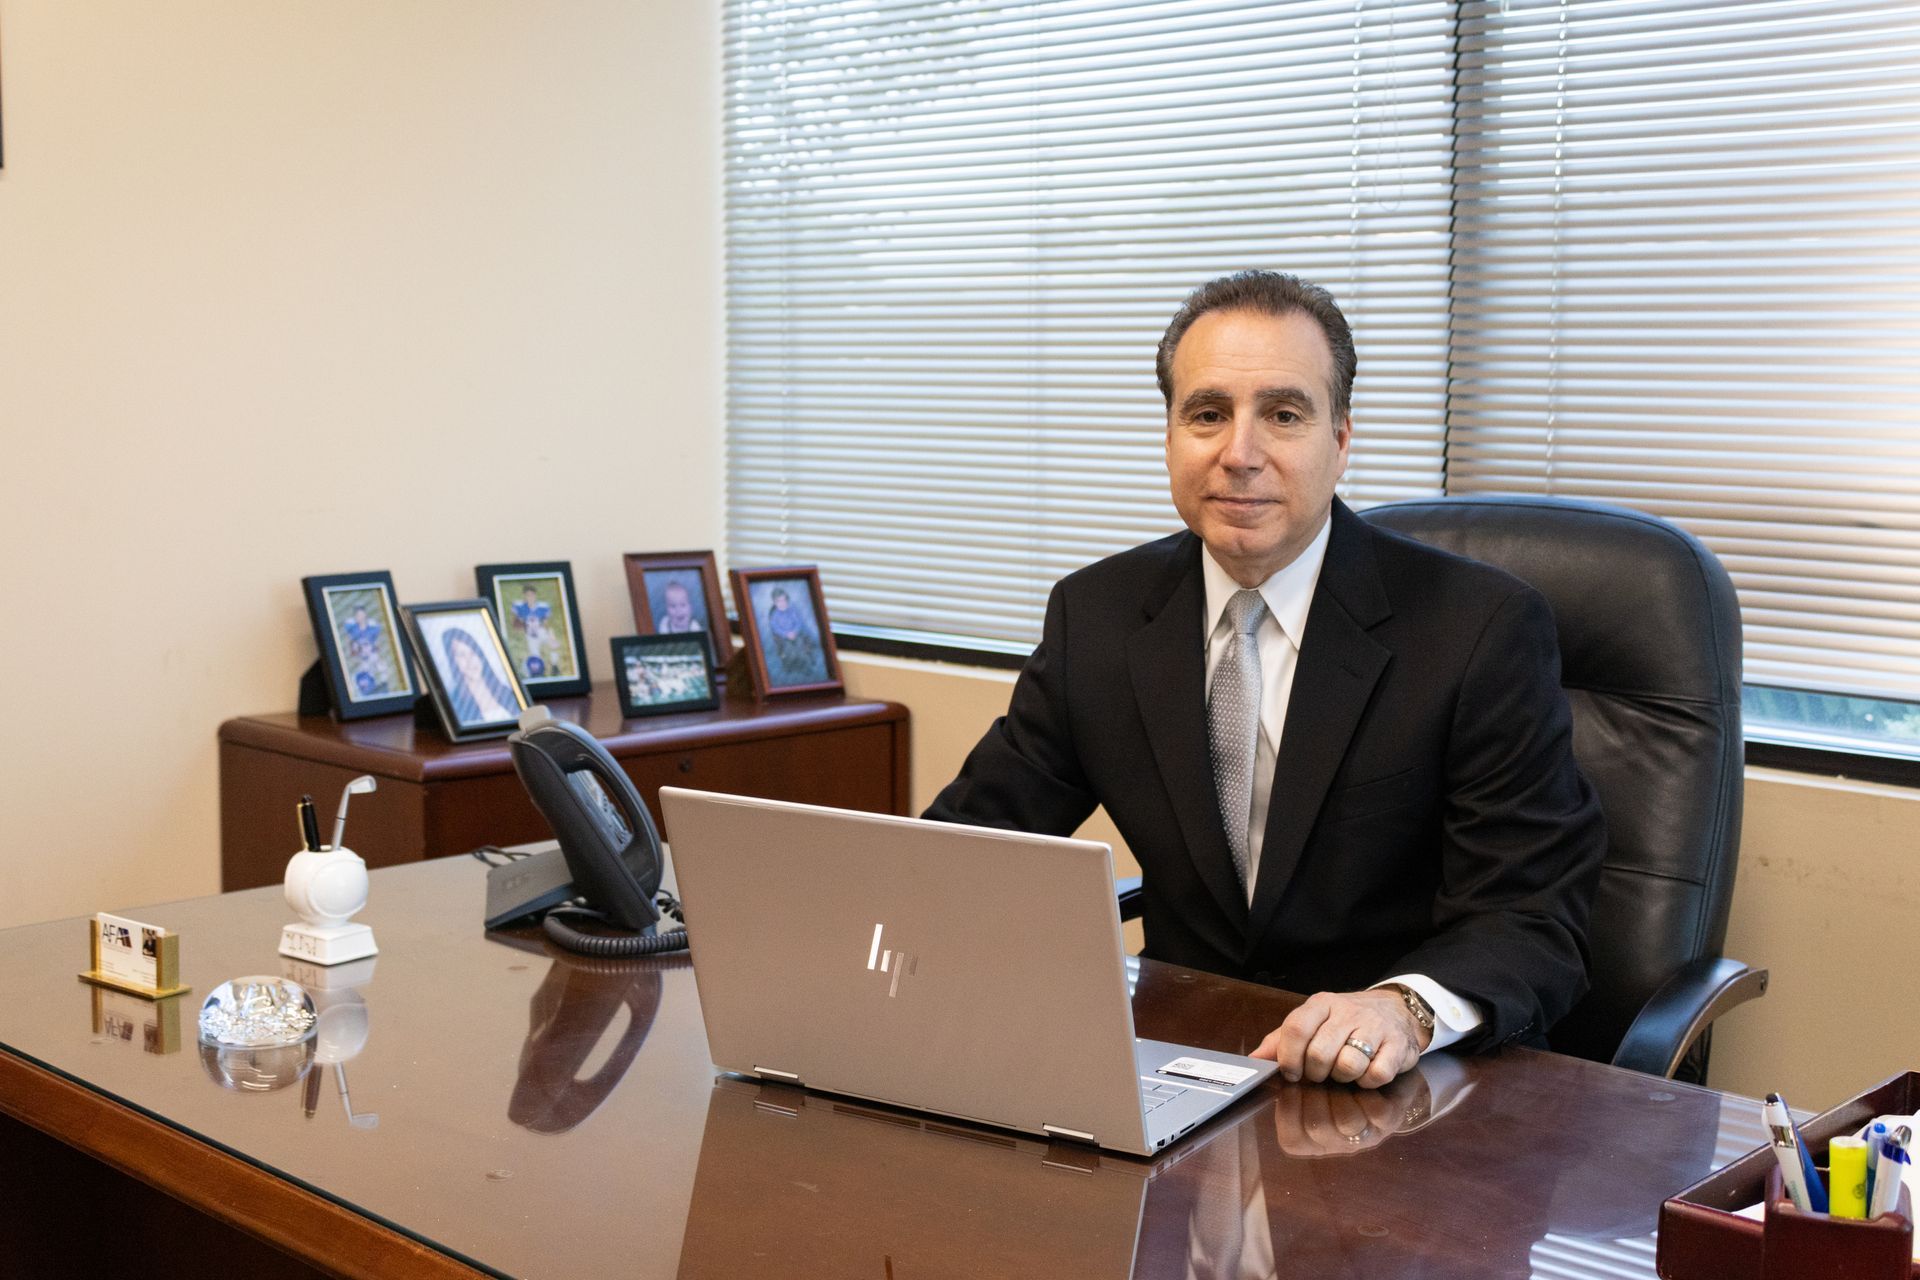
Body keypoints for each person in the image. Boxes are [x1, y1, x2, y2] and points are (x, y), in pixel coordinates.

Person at [925, 270, 1606, 1090]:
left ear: (1342, 438)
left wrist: (1404, 1008)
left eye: (1283, 415)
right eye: (1207, 414)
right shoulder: (1097, 617)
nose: (1239, 454)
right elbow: (965, 848)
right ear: (1170, 434)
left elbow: (1531, 915)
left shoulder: (1478, 631)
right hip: (1182, 1060)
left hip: (1397, 1087)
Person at [440, 626, 520, 726]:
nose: (470, 661)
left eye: (472, 653)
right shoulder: (456, 704)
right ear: (453, 661)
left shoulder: (506, 692)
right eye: (461, 655)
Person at [511, 586, 561, 679]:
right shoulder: (520, 607)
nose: (530, 597)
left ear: (535, 595)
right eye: (527, 595)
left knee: (554, 645)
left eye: (532, 595)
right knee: (535, 656)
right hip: (530, 634)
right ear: (524, 596)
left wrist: (551, 635)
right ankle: (539, 672)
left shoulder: (543, 607)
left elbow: (547, 624)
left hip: (541, 631)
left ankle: (555, 666)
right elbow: (515, 625)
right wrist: (522, 624)